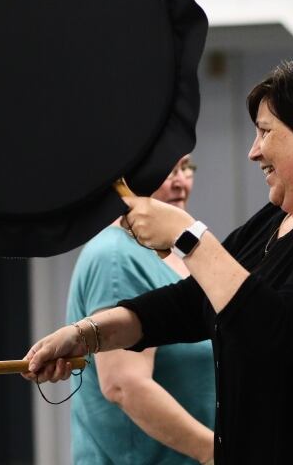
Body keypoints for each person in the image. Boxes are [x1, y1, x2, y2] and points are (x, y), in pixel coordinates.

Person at [23, 58, 293, 464]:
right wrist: (87, 334)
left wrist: (187, 236)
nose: (254, 151)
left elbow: (279, 334)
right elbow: (189, 303)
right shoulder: (278, 218)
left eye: (266, 131)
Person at [63, 155, 215, 464]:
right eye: (166, 169)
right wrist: (214, 452)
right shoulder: (115, 257)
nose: (180, 181)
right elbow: (124, 385)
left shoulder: (177, 255)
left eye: (186, 167)